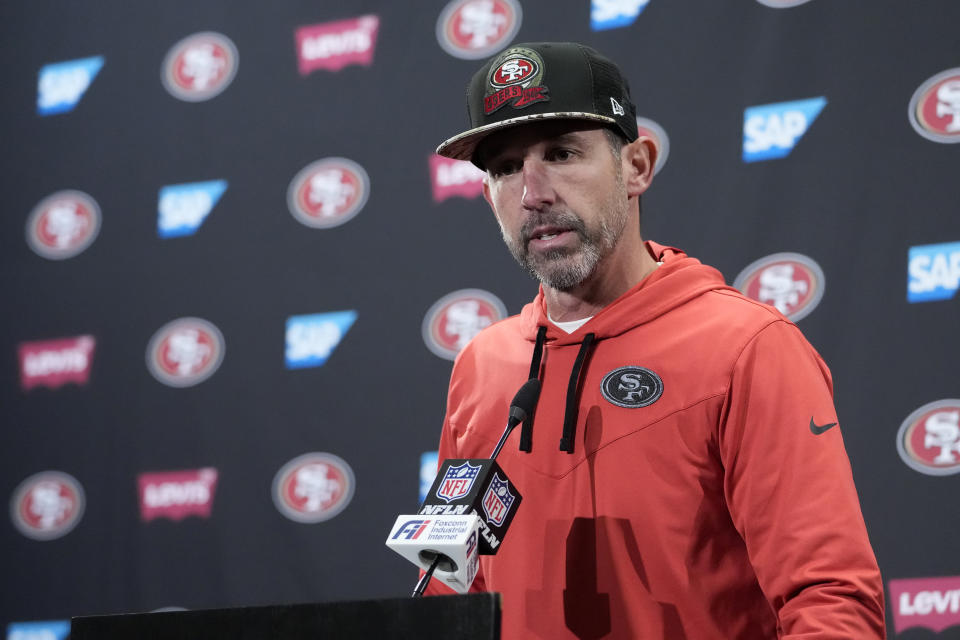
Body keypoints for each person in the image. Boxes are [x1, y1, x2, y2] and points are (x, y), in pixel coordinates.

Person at [428, 42, 885, 639]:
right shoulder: (482, 365)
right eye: (505, 168)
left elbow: (831, 600)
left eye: (562, 153)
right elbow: (452, 585)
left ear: (637, 166)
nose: (532, 192)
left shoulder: (746, 347)